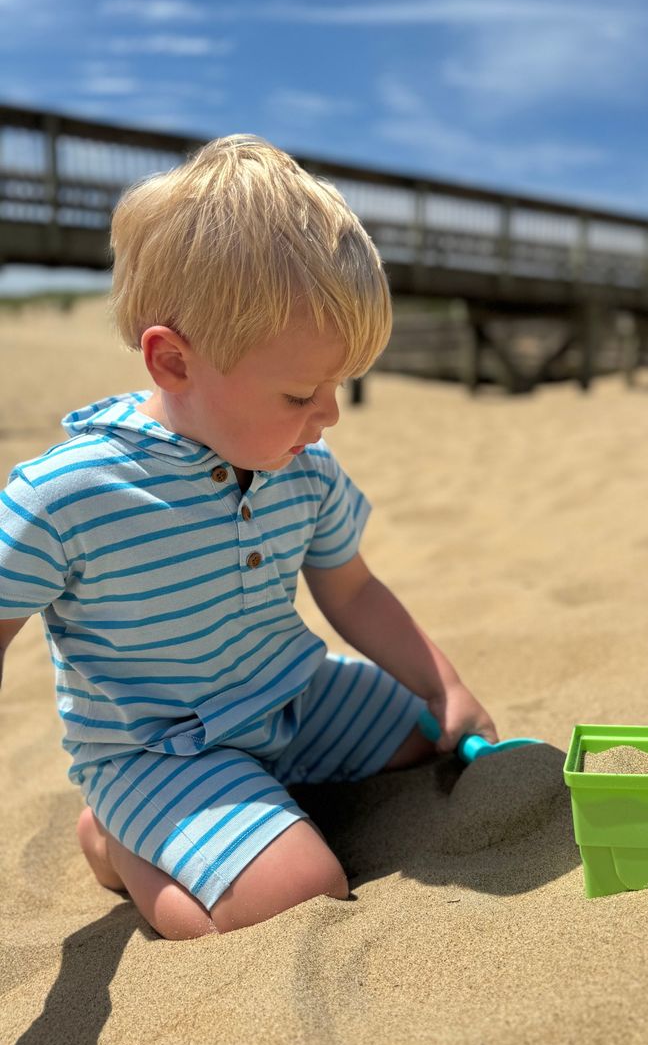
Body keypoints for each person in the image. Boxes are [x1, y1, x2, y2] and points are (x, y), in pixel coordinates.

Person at [0, 135, 497, 941]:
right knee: (300, 892)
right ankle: (119, 842)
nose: (328, 415)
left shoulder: (303, 465)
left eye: (339, 388)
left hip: (290, 697)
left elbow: (354, 590)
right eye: (302, 391)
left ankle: (246, 808)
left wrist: (443, 688)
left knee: (422, 734)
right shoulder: (68, 494)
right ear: (174, 364)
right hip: (161, 748)